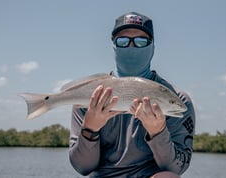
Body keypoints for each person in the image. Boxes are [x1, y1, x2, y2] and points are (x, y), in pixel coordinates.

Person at [69, 12, 195, 178]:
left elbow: (176, 168)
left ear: (152, 47)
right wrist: (90, 130)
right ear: (113, 46)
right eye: (123, 41)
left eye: (141, 41)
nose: (131, 47)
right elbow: (82, 167)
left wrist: (158, 132)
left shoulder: (177, 100)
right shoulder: (93, 96)